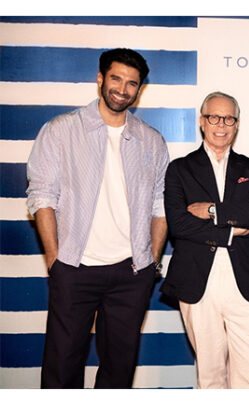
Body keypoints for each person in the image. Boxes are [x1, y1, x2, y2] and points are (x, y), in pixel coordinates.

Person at [26, 48, 170, 388]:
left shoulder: (151, 140)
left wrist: (151, 260)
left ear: (140, 89)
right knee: (62, 366)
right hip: (74, 267)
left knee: (119, 370)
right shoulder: (61, 130)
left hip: (131, 273)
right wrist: (55, 259)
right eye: (116, 79)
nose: (122, 89)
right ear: (100, 78)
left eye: (132, 83)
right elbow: (42, 196)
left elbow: (161, 204)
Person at [160, 91, 249, 389]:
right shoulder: (179, 169)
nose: (221, 125)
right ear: (202, 121)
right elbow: (179, 224)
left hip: (246, 280)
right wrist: (232, 230)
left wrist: (213, 211)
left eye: (228, 119)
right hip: (198, 280)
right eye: (214, 117)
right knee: (210, 376)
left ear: (237, 124)